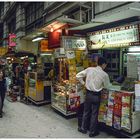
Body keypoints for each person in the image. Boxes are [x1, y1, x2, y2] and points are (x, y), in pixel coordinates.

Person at [76, 57, 111, 137]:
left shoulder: (89, 69)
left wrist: (83, 83)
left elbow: (78, 76)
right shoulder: (105, 74)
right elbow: (107, 86)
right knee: (94, 114)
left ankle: (83, 129)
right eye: (105, 65)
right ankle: (92, 132)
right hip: (96, 96)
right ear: (103, 64)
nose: (105, 66)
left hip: (88, 94)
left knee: (86, 112)